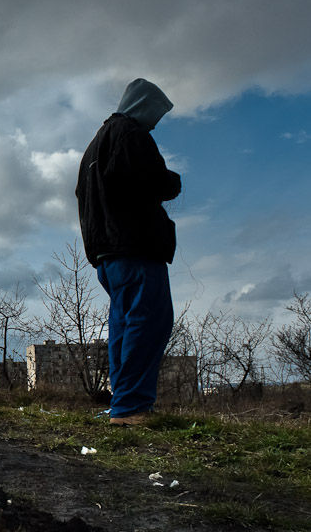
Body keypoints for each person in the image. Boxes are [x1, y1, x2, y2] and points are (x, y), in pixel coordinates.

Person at [75, 78, 180, 426]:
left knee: (124, 324)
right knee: (149, 321)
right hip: (135, 247)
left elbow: (84, 195)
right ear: (141, 106)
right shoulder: (130, 134)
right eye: (155, 114)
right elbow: (150, 180)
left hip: (107, 255)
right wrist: (171, 181)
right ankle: (131, 407)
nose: (155, 123)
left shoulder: (94, 145)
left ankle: (122, 404)